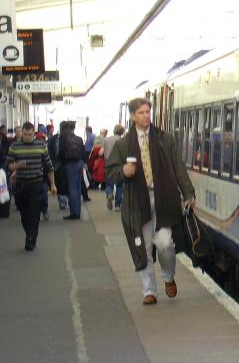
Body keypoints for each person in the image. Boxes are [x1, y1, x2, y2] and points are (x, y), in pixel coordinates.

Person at [106, 98, 195, 305]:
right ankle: (149, 291)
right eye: (141, 113)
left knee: (165, 244)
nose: (146, 116)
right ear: (132, 116)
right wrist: (123, 171)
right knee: (143, 248)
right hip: (137, 202)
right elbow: (111, 172)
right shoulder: (123, 145)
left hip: (164, 197)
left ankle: (168, 277)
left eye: (148, 112)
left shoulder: (164, 139)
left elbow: (178, 167)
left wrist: (188, 193)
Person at [4, 122, 56, 250]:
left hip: (36, 183)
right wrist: (17, 166)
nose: (27, 137)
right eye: (25, 134)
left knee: (34, 213)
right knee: (24, 214)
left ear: (34, 133)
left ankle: (30, 238)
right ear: (22, 133)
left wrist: (53, 184)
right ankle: (30, 234)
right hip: (20, 184)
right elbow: (8, 165)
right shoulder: (15, 146)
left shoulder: (41, 145)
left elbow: (49, 166)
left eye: (30, 134)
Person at [59, 121, 85, 220]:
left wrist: (62, 163)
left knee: (72, 188)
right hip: (79, 163)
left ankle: (74, 213)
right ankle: (77, 211)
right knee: (78, 188)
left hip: (70, 164)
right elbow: (83, 151)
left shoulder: (63, 138)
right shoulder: (79, 138)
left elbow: (61, 152)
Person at [103, 124, 125, 210]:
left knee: (109, 182)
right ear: (122, 132)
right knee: (119, 185)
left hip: (108, 162)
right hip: (119, 163)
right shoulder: (123, 140)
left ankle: (109, 193)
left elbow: (104, 152)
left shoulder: (106, 140)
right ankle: (117, 205)